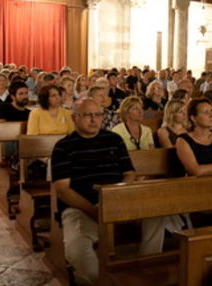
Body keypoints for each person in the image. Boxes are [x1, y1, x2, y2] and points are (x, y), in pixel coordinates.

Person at [51, 98, 145, 285]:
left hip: (116, 200)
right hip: (81, 207)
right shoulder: (63, 147)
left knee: (161, 217)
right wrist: (94, 210)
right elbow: (62, 190)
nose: (94, 120)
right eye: (87, 115)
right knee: (77, 247)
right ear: (74, 118)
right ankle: (98, 280)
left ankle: (146, 268)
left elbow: (129, 173)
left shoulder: (114, 139)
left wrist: (117, 195)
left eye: (98, 115)